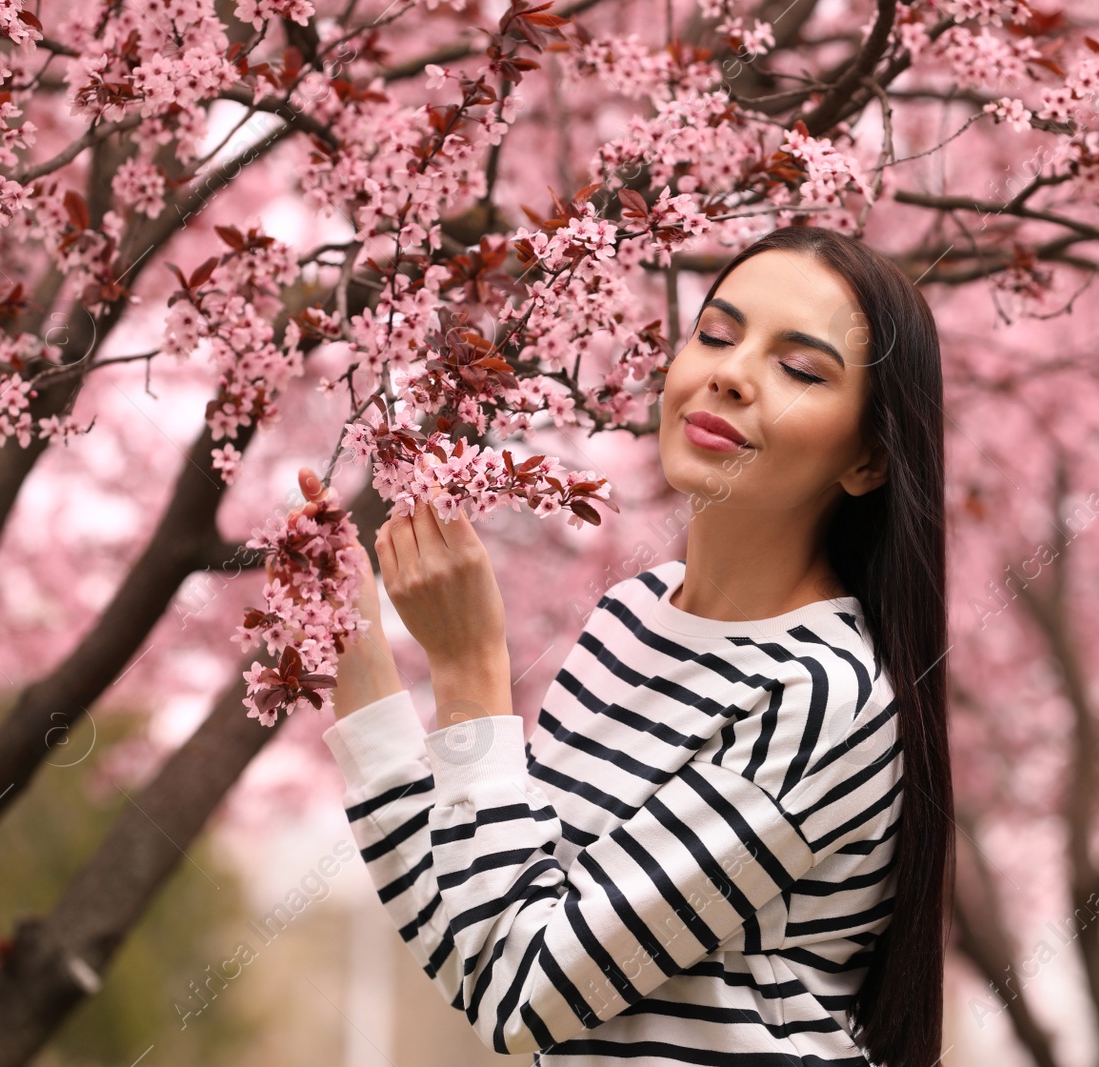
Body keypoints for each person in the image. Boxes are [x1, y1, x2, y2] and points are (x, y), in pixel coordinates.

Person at [311, 224, 953, 1066]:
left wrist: (470, 671)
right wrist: (354, 647)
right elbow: (487, 942)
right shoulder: (631, 616)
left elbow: (522, 995)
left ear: (868, 458)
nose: (729, 373)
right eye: (716, 335)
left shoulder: (819, 695)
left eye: (799, 369)